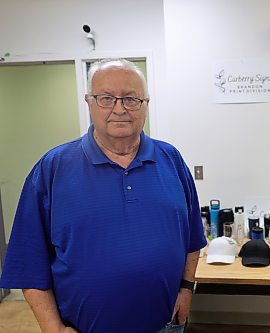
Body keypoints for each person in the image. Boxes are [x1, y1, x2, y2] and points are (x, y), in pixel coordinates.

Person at [0, 58, 207, 333]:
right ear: (89, 102)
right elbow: (28, 262)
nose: (119, 109)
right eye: (106, 98)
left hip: (166, 326)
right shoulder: (52, 169)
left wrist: (186, 289)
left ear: (146, 104)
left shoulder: (171, 159)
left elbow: (193, 239)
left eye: (131, 99)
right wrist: (54, 329)